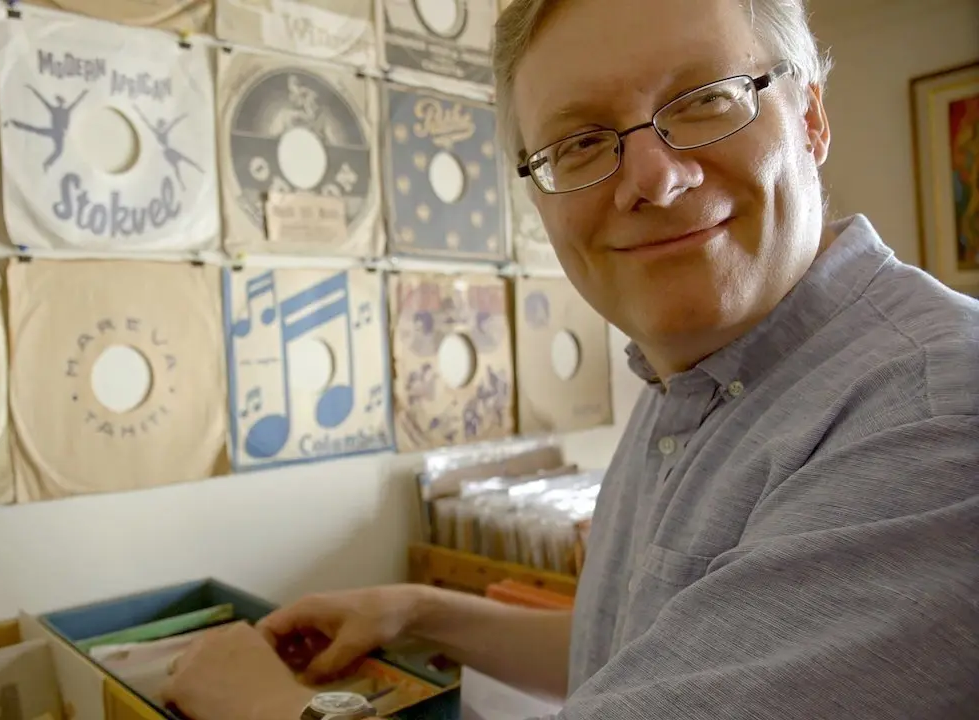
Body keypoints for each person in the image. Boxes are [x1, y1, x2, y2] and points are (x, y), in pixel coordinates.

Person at [160, 0, 979, 718]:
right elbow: (649, 655)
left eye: (704, 100)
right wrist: (415, 611)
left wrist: (264, 706)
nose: (652, 179)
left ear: (811, 119)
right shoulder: (689, 381)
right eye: (581, 141)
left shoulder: (935, 415)